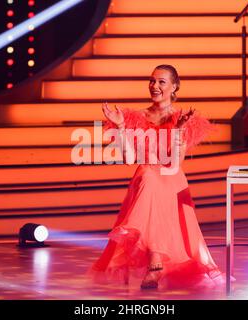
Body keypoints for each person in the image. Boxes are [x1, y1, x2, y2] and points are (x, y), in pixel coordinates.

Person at [90, 65, 225, 290]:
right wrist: (122, 126)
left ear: (174, 87)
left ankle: (156, 263)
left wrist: (179, 129)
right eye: (152, 81)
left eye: (162, 82)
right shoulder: (136, 117)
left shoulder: (183, 119)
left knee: (152, 179)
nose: (155, 86)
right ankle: (156, 263)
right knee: (148, 176)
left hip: (170, 179)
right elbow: (130, 159)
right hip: (146, 178)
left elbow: (174, 163)